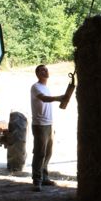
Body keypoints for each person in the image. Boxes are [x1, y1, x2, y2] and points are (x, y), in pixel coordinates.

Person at [30, 64, 66, 192]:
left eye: (46, 69)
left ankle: (44, 177)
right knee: (40, 153)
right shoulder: (35, 87)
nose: (45, 71)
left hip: (49, 124)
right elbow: (44, 99)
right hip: (39, 125)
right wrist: (58, 98)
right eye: (42, 70)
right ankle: (37, 181)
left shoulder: (46, 87)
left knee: (48, 153)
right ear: (38, 74)